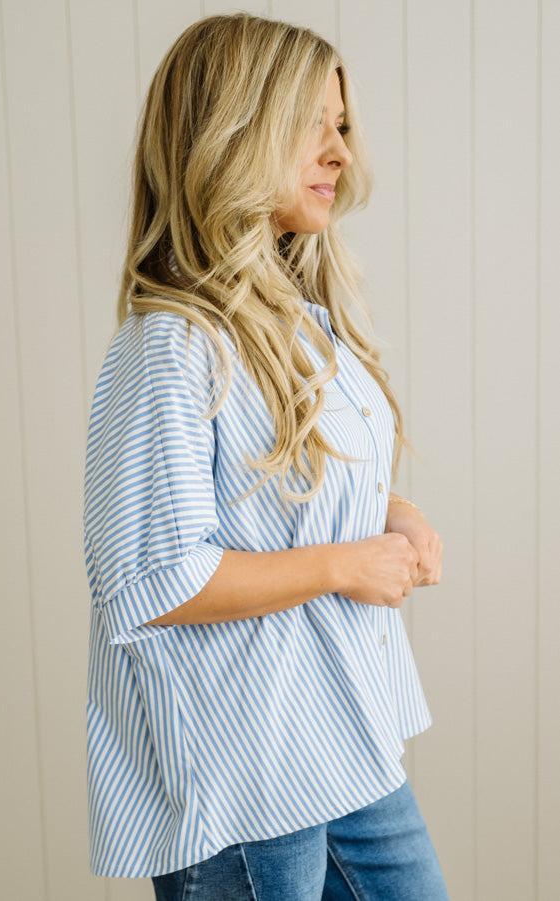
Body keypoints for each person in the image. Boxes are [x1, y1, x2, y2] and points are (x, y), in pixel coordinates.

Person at [82, 11, 449, 900]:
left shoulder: (298, 320)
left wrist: (389, 515)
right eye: (310, 126)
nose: (339, 154)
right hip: (248, 774)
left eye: (342, 126)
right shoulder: (168, 345)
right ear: (231, 134)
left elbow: (288, 491)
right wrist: (341, 565)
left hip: (342, 739)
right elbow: (154, 579)